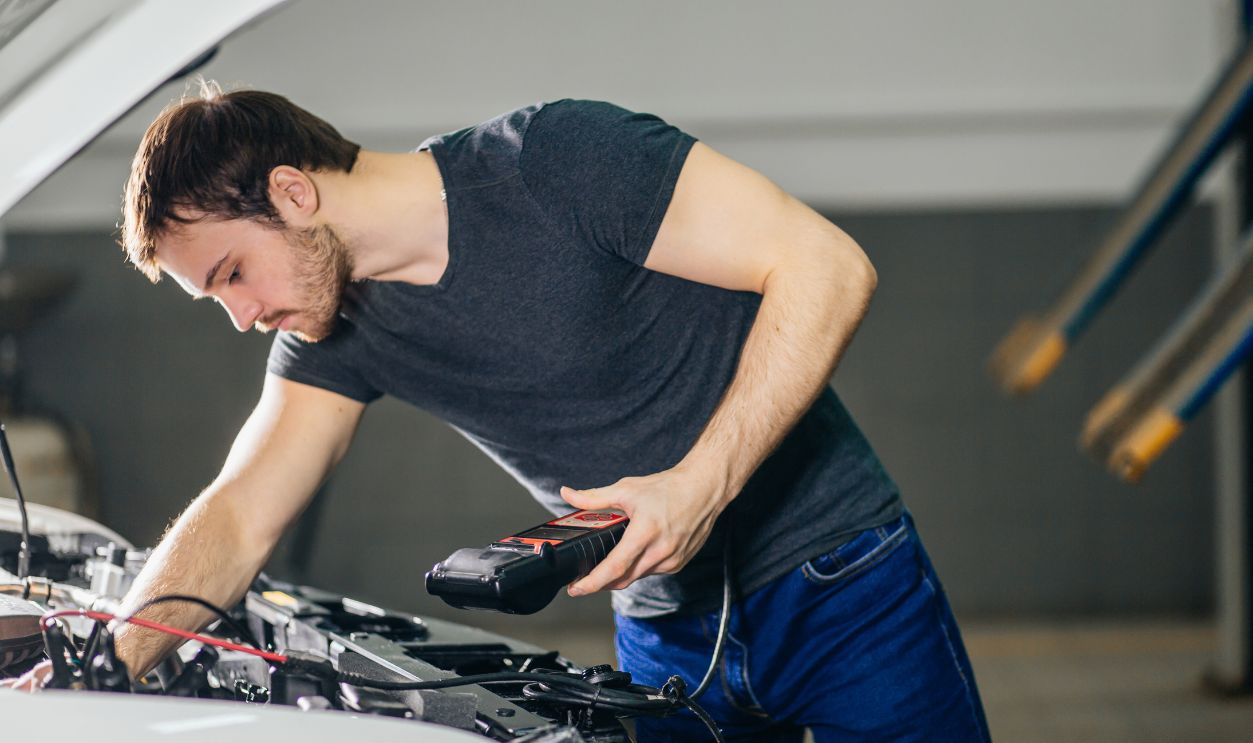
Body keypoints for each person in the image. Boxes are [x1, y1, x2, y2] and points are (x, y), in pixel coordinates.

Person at [4, 82, 990, 741]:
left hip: (839, 583)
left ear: (293, 191)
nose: (241, 314)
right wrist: (109, 663)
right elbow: (239, 509)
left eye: (231, 273)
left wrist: (699, 484)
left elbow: (825, 262)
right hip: (661, 628)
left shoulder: (556, 159)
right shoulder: (333, 331)